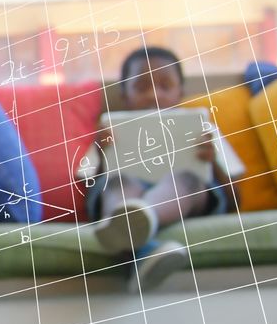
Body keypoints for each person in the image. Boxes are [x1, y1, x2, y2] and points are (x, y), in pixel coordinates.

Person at [76, 47, 241, 293]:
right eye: (141, 87)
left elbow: (235, 201)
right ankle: (145, 250)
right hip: (126, 192)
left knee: (185, 180)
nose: (154, 95)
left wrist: (213, 162)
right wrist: (101, 156)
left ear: (180, 92)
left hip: (185, 196)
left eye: (165, 86)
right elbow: (84, 188)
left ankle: (140, 218)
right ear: (124, 94)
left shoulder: (203, 130)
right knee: (118, 184)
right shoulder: (111, 132)